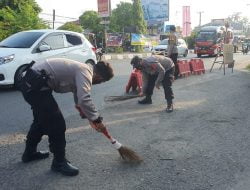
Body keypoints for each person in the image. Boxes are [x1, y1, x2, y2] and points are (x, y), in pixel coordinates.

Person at [19, 58, 114, 176]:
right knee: (57, 125)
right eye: (101, 82)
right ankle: (59, 162)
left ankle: (29, 153)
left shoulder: (82, 68)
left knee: (41, 121)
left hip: (31, 83)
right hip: (35, 87)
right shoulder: (86, 72)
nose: (97, 83)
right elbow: (84, 99)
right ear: (100, 78)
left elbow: (78, 98)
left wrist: (88, 116)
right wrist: (97, 119)